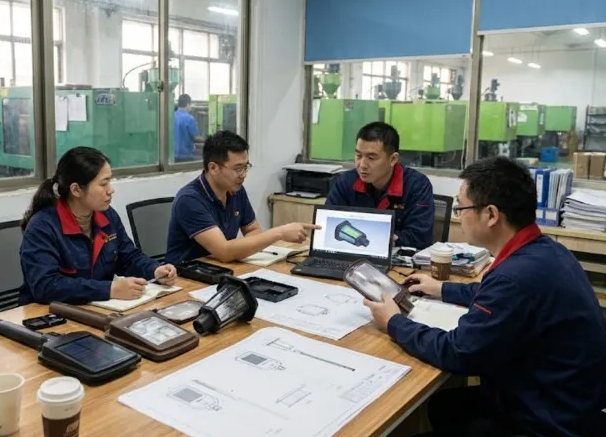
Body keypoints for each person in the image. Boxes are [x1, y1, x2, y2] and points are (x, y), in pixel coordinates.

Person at [363, 157, 606, 437]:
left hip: (546, 419)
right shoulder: (545, 250)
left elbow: (459, 353)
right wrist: (441, 288)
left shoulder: (514, 276)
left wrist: (394, 322)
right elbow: (493, 294)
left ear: (490, 214)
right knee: (445, 405)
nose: (457, 216)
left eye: (461, 208)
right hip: (564, 397)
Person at [20, 147, 177, 305]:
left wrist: (155, 270)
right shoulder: (42, 226)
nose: (111, 190)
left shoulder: (107, 215)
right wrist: (109, 290)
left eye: (110, 181)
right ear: (76, 190)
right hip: (47, 316)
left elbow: (128, 257)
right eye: (104, 184)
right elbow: (45, 287)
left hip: (95, 309)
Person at [166, 130, 320, 265]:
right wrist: (279, 232)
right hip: (186, 276)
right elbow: (224, 251)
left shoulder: (236, 190)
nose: (244, 175)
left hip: (221, 269)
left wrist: (237, 249)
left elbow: (253, 230)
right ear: (213, 168)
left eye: (246, 167)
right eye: (237, 168)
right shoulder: (190, 200)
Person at [326, 122, 434, 249]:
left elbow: (421, 238)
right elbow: (328, 223)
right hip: (352, 251)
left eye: (371, 158)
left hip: (397, 260)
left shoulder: (417, 185)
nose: (362, 165)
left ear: (393, 159)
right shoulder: (346, 181)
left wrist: (382, 238)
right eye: (358, 156)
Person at [174, 94, 202, 162]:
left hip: (173, 155)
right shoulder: (189, 118)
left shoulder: (172, 116)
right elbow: (196, 138)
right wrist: (208, 140)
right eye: (191, 105)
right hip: (186, 156)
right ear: (188, 104)